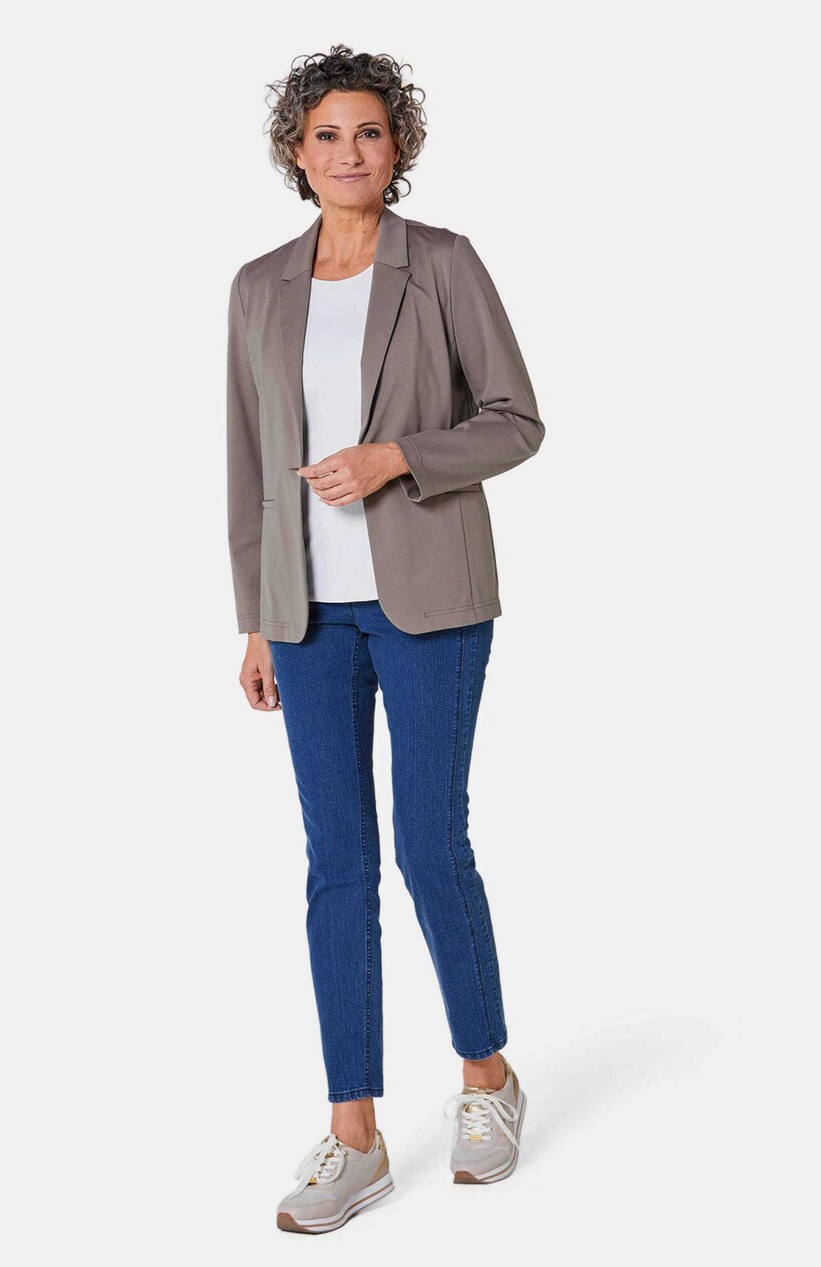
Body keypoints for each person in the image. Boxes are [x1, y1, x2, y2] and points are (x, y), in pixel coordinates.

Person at [226, 45, 545, 1234]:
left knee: (428, 843)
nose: (349, 152)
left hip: (431, 602)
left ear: (396, 146)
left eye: (369, 131)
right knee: (335, 865)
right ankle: (353, 1134)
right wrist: (256, 617)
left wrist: (399, 456)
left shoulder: (443, 263)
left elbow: (516, 421)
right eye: (327, 134)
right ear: (296, 152)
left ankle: (486, 1077)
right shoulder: (259, 286)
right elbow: (247, 461)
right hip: (307, 614)